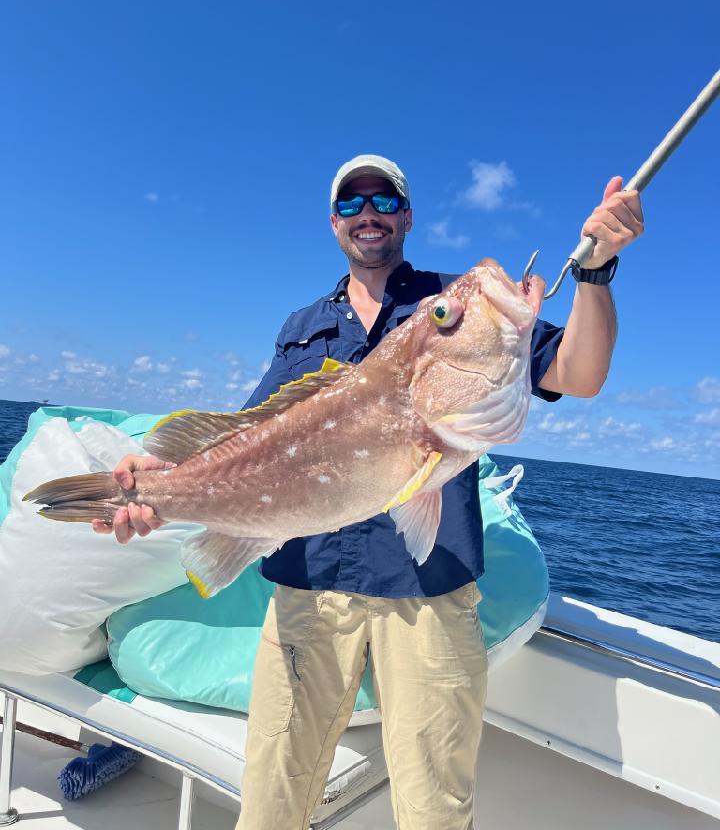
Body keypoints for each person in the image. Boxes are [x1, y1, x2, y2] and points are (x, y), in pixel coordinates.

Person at [94, 154, 644, 829]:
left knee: (433, 808)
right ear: (334, 224)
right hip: (307, 589)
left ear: (406, 215)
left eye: (383, 199)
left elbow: (579, 373)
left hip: (428, 597)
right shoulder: (304, 325)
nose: (368, 214)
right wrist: (158, 491)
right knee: (270, 799)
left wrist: (593, 270)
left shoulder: (447, 301)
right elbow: (246, 438)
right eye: (351, 204)